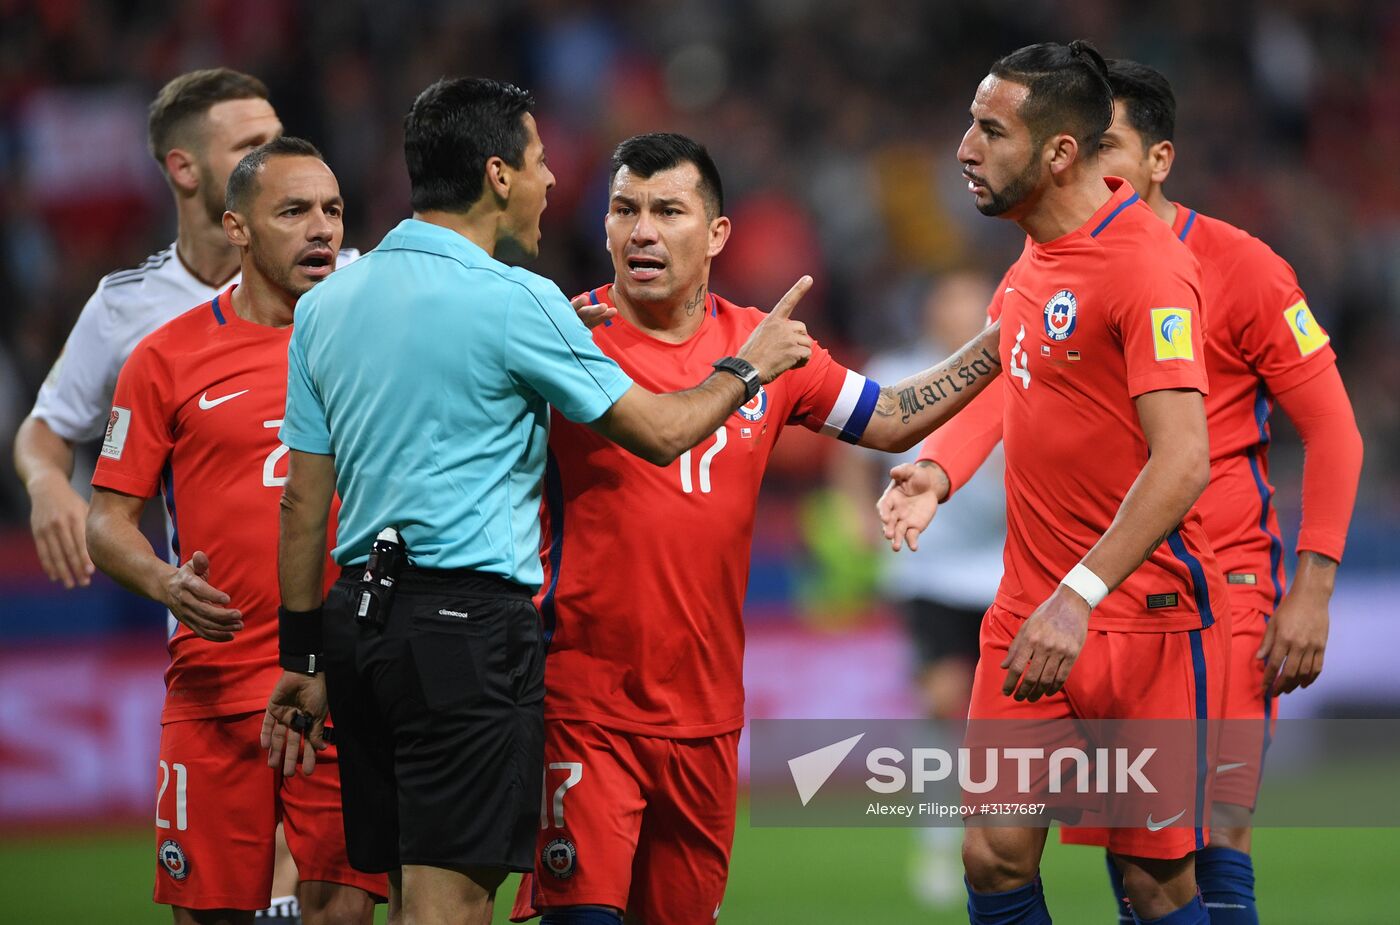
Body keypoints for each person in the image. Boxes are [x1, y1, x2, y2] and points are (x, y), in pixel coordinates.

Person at [257, 79, 817, 925]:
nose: (555, 180)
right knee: (452, 905)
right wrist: (750, 367)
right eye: (539, 159)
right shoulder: (520, 301)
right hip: (465, 630)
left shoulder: (329, 302)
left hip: (355, 626)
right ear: (498, 175)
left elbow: (304, 502)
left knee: (406, 892)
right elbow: (662, 432)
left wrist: (302, 659)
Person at [497, 132, 1002, 925]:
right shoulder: (564, 338)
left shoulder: (767, 345)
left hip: (705, 718)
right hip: (584, 704)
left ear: (718, 234)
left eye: (668, 210)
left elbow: (894, 416)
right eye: (624, 209)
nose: (643, 231)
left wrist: (1002, 343)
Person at [878, 41, 1231, 924]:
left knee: (1154, 886)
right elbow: (1010, 380)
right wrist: (937, 470)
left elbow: (1185, 456)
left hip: (1134, 619)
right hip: (1024, 610)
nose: (964, 148)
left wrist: (1078, 594)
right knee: (992, 856)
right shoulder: (1031, 263)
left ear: (1060, 152)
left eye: (990, 130)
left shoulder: (1146, 268)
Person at [1049, 60, 1363, 925]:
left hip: (1227, 590)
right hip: (1114, 591)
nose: (1083, 166)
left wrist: (1313, 587)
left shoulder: (1242, 265)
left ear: (1160, 160)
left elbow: (1335, 431)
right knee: (1138, 850)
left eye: (1105, 146)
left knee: (1216, 834)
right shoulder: (1062, 263)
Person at [11, 66, 323, 925]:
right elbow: (48, 429)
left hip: (335, 646)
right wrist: (48, 486)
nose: (280, 157)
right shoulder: (131, 314)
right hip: (214, 637)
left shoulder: (345, 281)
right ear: (187, 170)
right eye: (251, 145)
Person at [86, 138, 387, 925]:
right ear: (239, 228)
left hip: (342, 681)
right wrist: (163, 580)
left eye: (332, 210)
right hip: (215, 685)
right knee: (210, 915)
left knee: (343, 912)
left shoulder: (376, 344)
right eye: (294, 211)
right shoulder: (165, 358)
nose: (321, 228)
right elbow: (105, 521)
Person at [829, 269, 1006, 909]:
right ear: (931, 310)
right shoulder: (898, 369)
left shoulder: (1015, 367)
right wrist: (853, 510)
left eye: (972, 300)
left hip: (1006, 567)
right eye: (950, 299)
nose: (962, 310)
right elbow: (851, 455)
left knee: (999, 718)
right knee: (944, 699)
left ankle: (995, 832)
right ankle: (938, 842)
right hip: (926, 567)